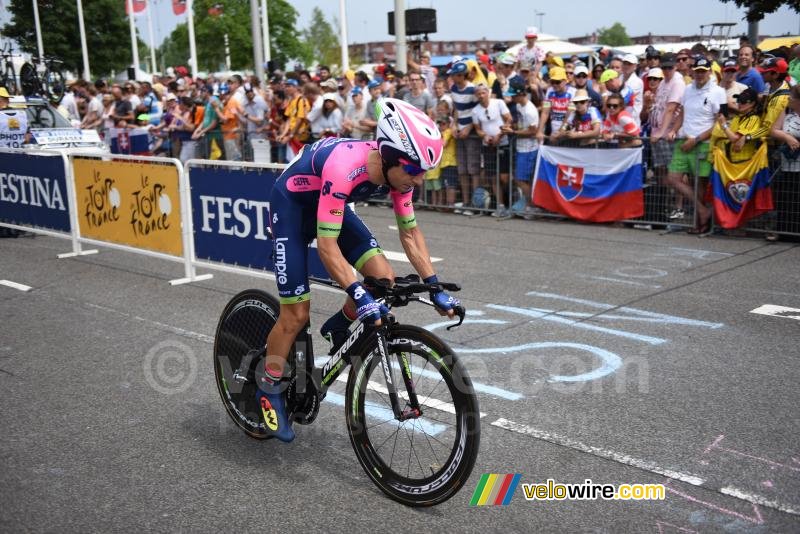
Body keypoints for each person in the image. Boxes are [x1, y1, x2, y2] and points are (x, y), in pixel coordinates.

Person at [259, 98, 457, 442]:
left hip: (328, 205)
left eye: (424, 171)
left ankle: (338, 326)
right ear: (389, 156)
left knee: (384, 279)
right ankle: (268, 386)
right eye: (414, 170)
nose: (419, 179)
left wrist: (434, 286)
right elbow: (327, 247)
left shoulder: (400, 176)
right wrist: (357, 292)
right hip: (292, 207)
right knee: (296, 315)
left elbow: (410, 233)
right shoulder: (345, 167)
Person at [664, 57, 727, 234]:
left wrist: (697, 139)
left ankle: (700, 223)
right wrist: (673, 130)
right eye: (697, 71)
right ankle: (703, 211)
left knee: (700, 184)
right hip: (683, 140)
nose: (699, 74)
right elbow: (682, 113)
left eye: (703, 71)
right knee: (673, 178)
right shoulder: (688, 89)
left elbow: (721, 122)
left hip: (703, 143)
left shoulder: (719, 92)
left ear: (709, 72)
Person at [471, 83, 512, 216]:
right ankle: (500, 206)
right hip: (488, 146)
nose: (481, 96)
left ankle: (510, 202)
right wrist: (485, 136)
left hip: (503, 143)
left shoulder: (499, 103)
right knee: (493, 178)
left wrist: (500, 135)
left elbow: (509, 119)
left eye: (483, 93)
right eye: (479, 94)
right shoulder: (475, 110)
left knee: (504, 178)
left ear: (488, 93)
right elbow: (478, 129)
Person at [449, 61, 480, 216]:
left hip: (472, 134)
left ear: (461, 75)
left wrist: (469, 128)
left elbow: (477, 111)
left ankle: (475, 203)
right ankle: (466, 201)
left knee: (473, 169)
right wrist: (454, 125)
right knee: (462, 170)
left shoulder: (473, 89)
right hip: (459, 132)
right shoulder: (454, 88)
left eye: (454, 75)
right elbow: (456, 109)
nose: (452, 77)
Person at [504, 82, 540, 217]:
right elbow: (520, 124)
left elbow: (532, 131)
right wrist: (510, 127)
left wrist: (513, 132)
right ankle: (529, 204)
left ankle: (531, 206)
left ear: (520, 94)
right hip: (521, 147)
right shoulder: (519, 105)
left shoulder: (530, 110)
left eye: (514, 95)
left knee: (520, 179)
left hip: (529, 149)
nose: (512, 98)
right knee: (522, 179)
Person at [770, 83, 800, 234]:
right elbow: (773, 130)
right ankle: (785, 232)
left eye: (792, 97)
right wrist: (787, 137)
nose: (788, 99)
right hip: (787, 164)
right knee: (787, 198)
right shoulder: (786, 110)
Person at [715, 88, 762, 163]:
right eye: (738, 100)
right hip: (731, 161)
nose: (739, 103)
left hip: (744, 162)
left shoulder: (753, 119)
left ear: (752, 103)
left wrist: (723, 124)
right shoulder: (737, 117)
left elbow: (735, 138)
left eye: (743, 101)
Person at [536, 67, 576, 144]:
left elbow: (569, 116)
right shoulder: (550, 91)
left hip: (568, 131)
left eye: (557, 82)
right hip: (554, 131)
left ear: (565, 81)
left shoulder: (573, 92)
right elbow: (545, 112)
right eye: (552, 82)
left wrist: (560, 132)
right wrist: (539, 131)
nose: (554, 85)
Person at [622, 54, 644, 127]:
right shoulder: (619, 78)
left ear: (635, 66)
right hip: (620, 120)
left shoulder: (637, 81)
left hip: (632, 120)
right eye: (625, 63)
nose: (626, 66)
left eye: (629, 64)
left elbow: (625, 99)